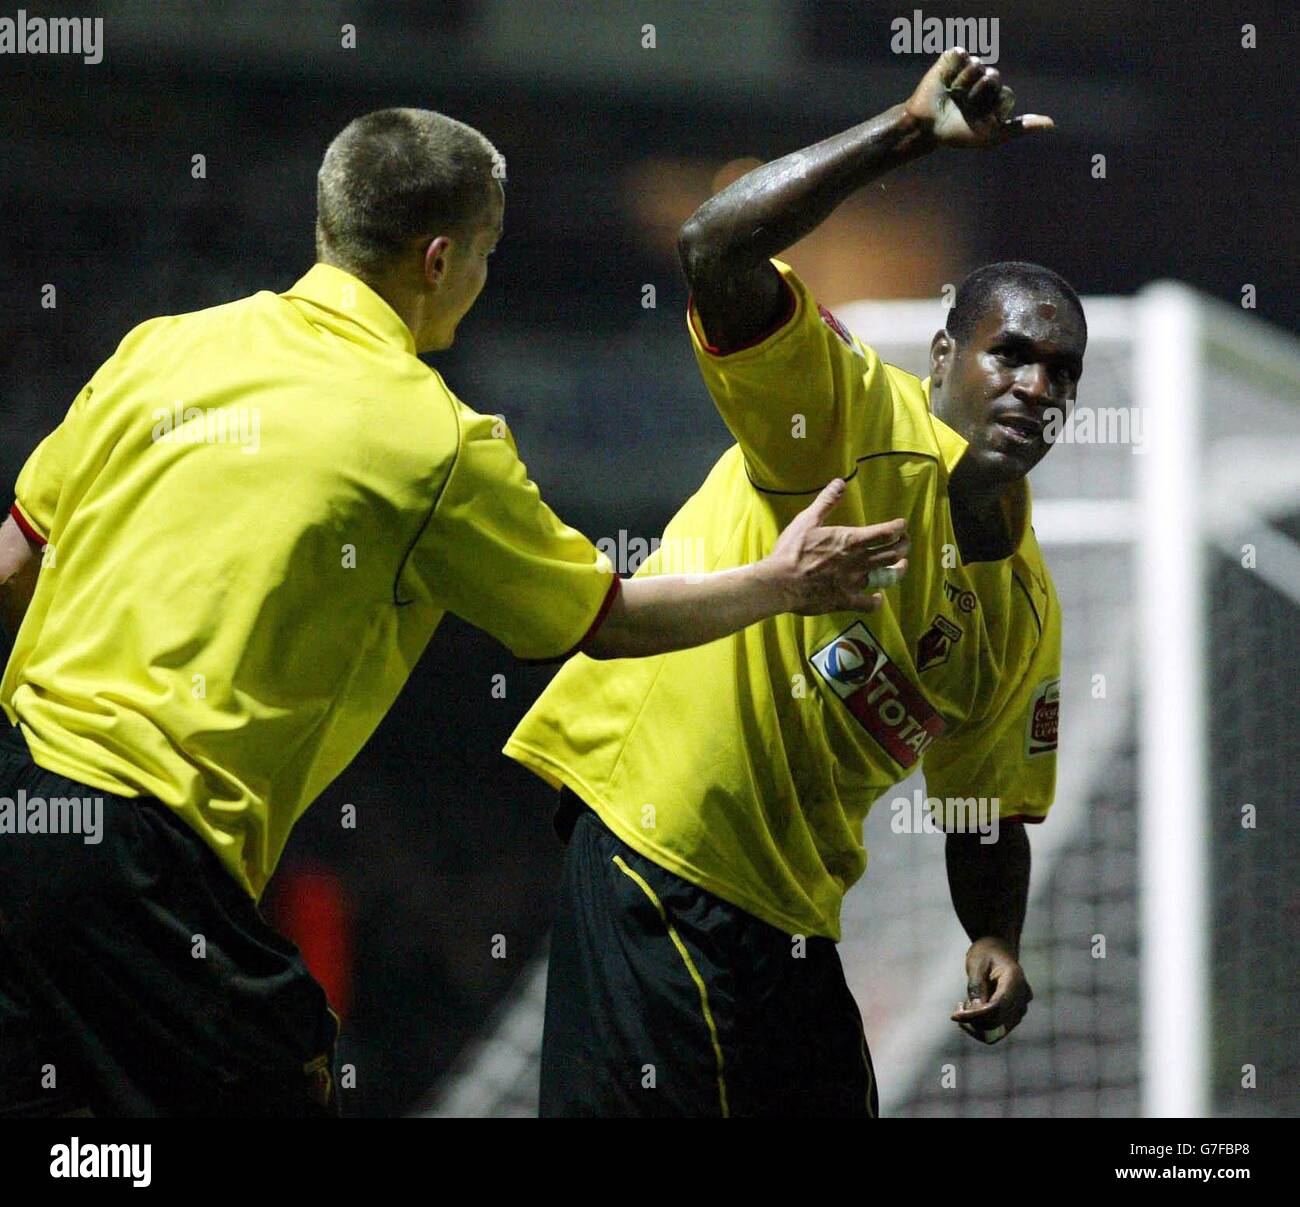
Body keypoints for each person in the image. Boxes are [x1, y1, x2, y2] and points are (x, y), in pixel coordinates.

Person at [0, 108, 909, 1117]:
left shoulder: (164, 348)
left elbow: (12, 560)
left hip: (17, 797)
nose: (482, 278)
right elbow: (607, 617)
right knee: (279, 1078)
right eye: (484, 253)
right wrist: (780, 582)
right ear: (438, 259)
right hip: (142, 852)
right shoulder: (434, 441)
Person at [505, 49, 1085, 1116]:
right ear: (941, 357)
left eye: (1060, 373)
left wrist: (993, 931)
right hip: (656, 846)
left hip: (792, 915)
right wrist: (906, 132)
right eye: (1009, 354)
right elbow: (712, 243)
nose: (1034, 385)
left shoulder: (1024, 609)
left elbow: (982, 801)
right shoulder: (847, 413)